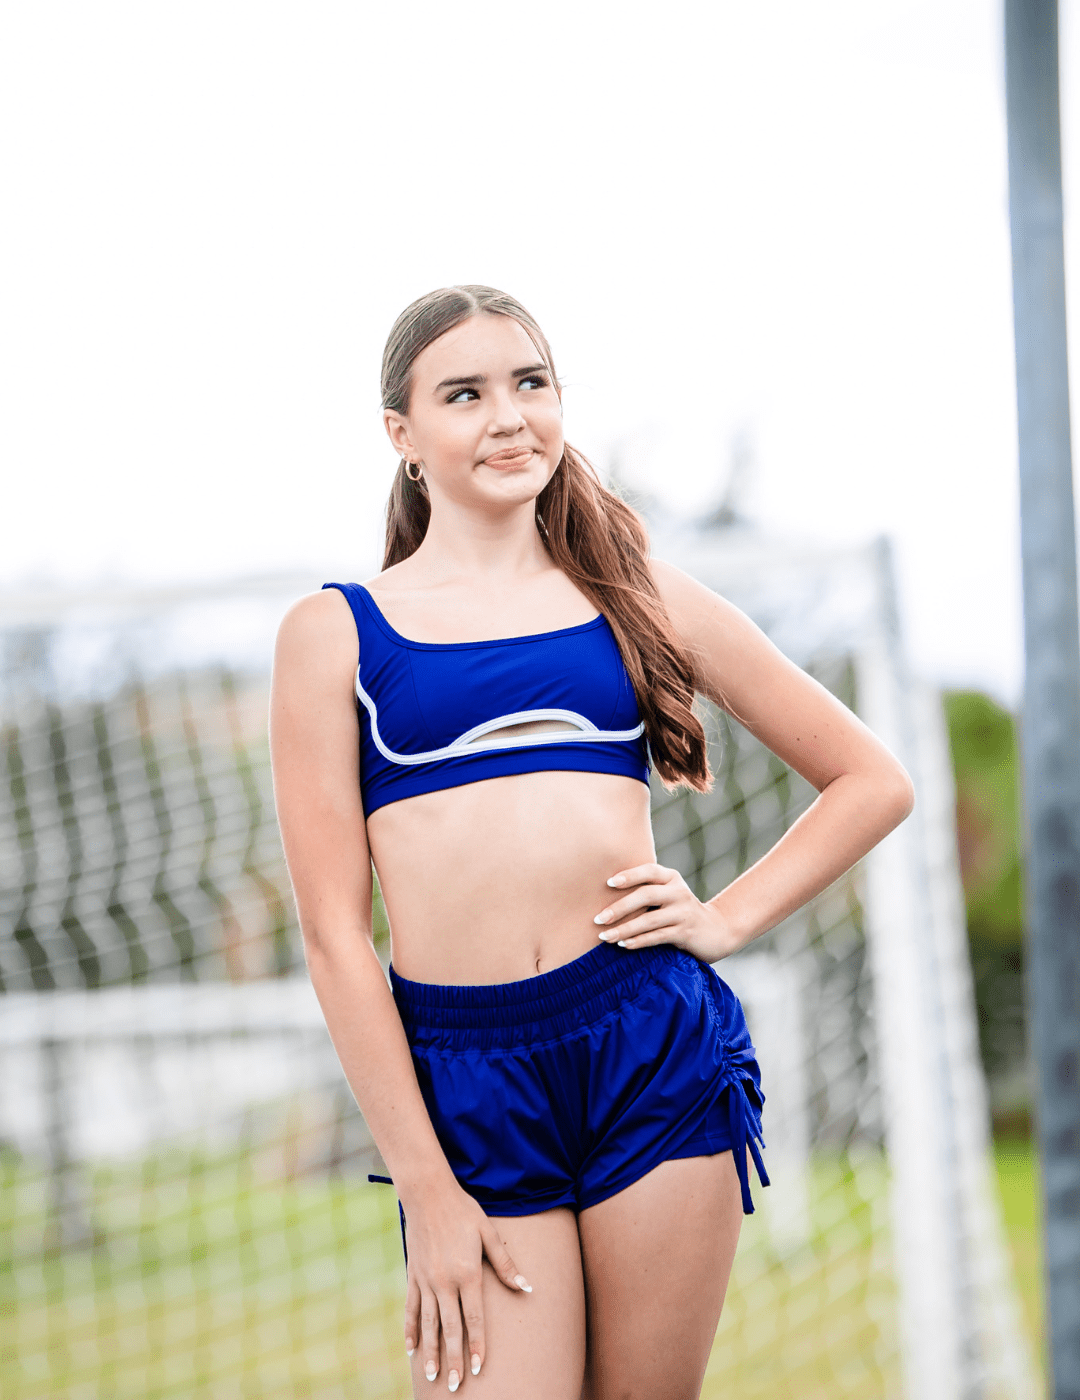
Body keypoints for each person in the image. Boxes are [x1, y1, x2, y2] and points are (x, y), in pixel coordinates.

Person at [269, 285, 914, 1400]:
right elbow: (334, 935)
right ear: (403, 437)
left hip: (646, 1050)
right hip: (468, 1086)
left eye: (531, 383)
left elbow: (872, 778)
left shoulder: (635, 593)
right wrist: (427, 1187)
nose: (508, 415)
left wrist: (726, 917)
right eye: (464, 393)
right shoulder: (335, 632)